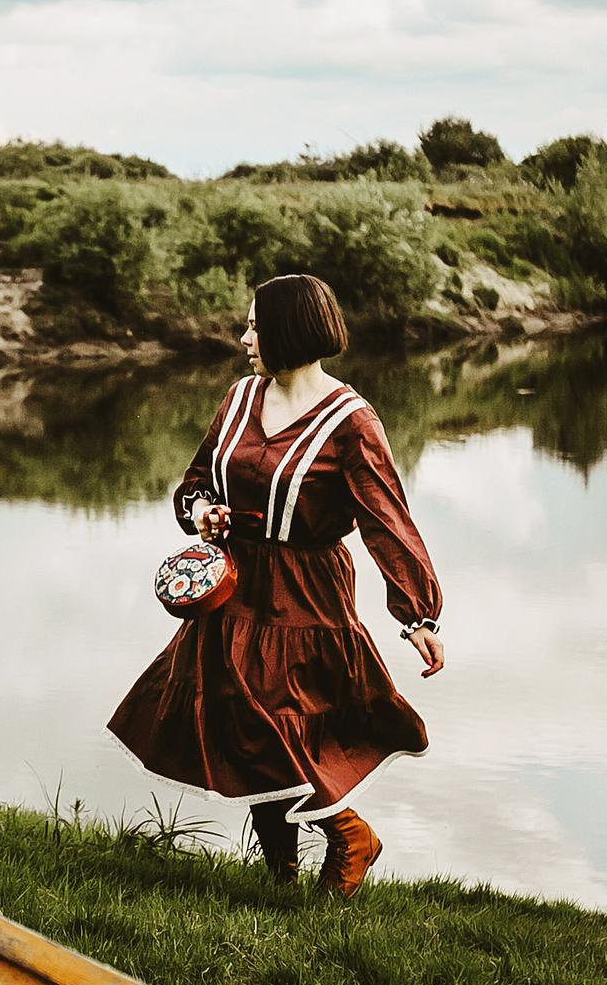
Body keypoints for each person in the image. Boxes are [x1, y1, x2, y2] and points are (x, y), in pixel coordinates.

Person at [107, 273, 445, 897]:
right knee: (238, 716)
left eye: (256, 326)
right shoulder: (239, 399)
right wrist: (203, 509)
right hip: (232, 584)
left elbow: (386, 517)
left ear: (289, 331)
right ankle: (280, 876)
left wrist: (418, 613)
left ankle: (350, 836)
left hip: (305, 591)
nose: (244, 339)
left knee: (277, 720)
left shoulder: (351, 420)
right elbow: (195, 480)